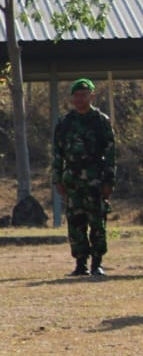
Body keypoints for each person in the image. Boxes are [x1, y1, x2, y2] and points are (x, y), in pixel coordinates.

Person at [52, 78, 116, 276]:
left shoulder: (101, 121)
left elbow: (111, 152)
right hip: (72, 179)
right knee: (75, 222)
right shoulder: (65, 123)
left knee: (97, 221)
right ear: (72, 98)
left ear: (92, 96)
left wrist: (109, 180)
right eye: (77, 95)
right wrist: (57, 179)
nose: (80, 99)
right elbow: (57, 152)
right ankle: (80, 263)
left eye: (84, 95)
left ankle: (97, 262)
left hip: (95, 178)